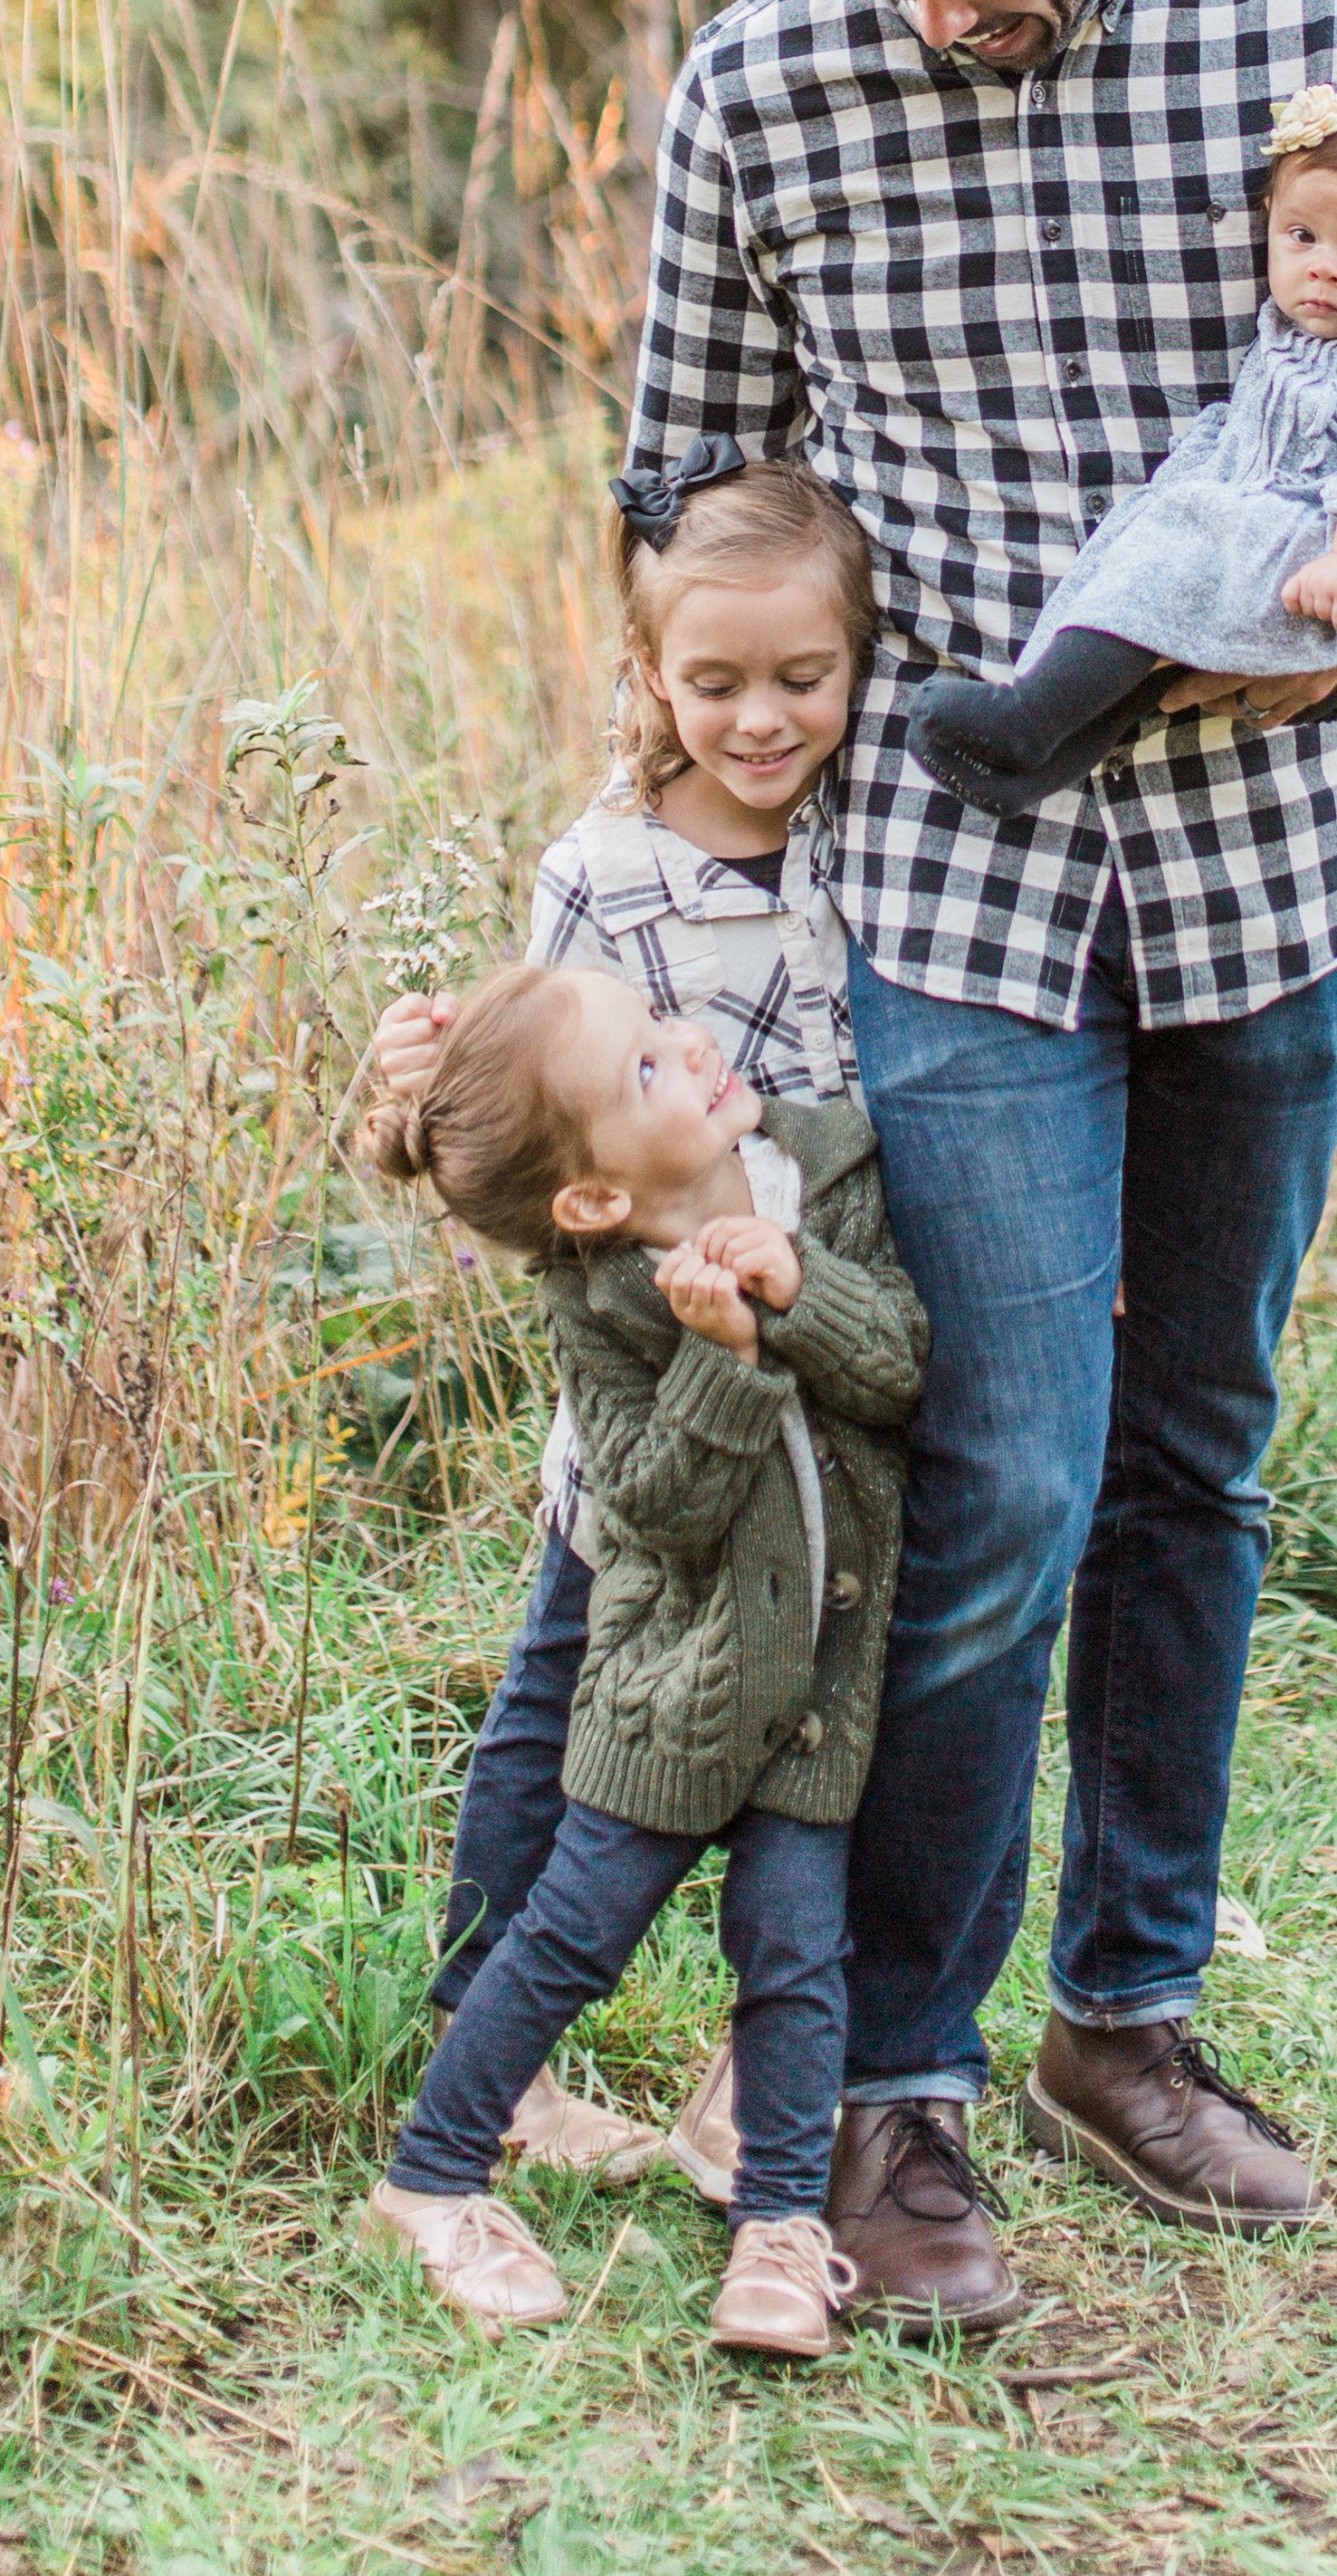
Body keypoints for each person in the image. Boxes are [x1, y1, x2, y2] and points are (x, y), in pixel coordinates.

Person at [623, 0, 1337, 2332]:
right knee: (1007, 1466)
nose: (927, 12)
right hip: (955, 883)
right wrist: (685, 852)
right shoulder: (766, 83)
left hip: (1270, 852)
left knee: (1200, 1443)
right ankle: (888, 2091)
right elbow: (685, 478)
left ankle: (1130, 2018)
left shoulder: (1312, 0)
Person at [369, 459, 874, 2207]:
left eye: (801, 680)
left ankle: (768, 2082)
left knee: (824, 1718)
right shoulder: (602, 868)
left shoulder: (866, 836)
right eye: (713, 683)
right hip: (655, 1380)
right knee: (562, 1682)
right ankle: (486, 2053)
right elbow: (537, 1090)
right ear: (650, 677)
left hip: (823, 1358)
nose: (760, 720)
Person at [358, 958, 927, 2355]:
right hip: (668, 1690)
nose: (693, 1039)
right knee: (567, 1937)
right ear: (596, 1197)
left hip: (818, 1693)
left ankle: (782, 2228)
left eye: (670, 1027)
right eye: (649, 1068)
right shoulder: (600, 1302)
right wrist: (722, 1357)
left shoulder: (823, 1173)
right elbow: (652, 1508)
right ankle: (432, 2177)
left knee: (796, 1952)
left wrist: (800, 1292)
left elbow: (908, 1359)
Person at [908, 84, 1337, 815]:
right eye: (1302, 236)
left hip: (1321, 538)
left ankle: (1024, 724)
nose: (1326, 267)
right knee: (1138, 578)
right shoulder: (1298, 331)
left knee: (1162, 572)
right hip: (1252, 512)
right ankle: (1043, 762)